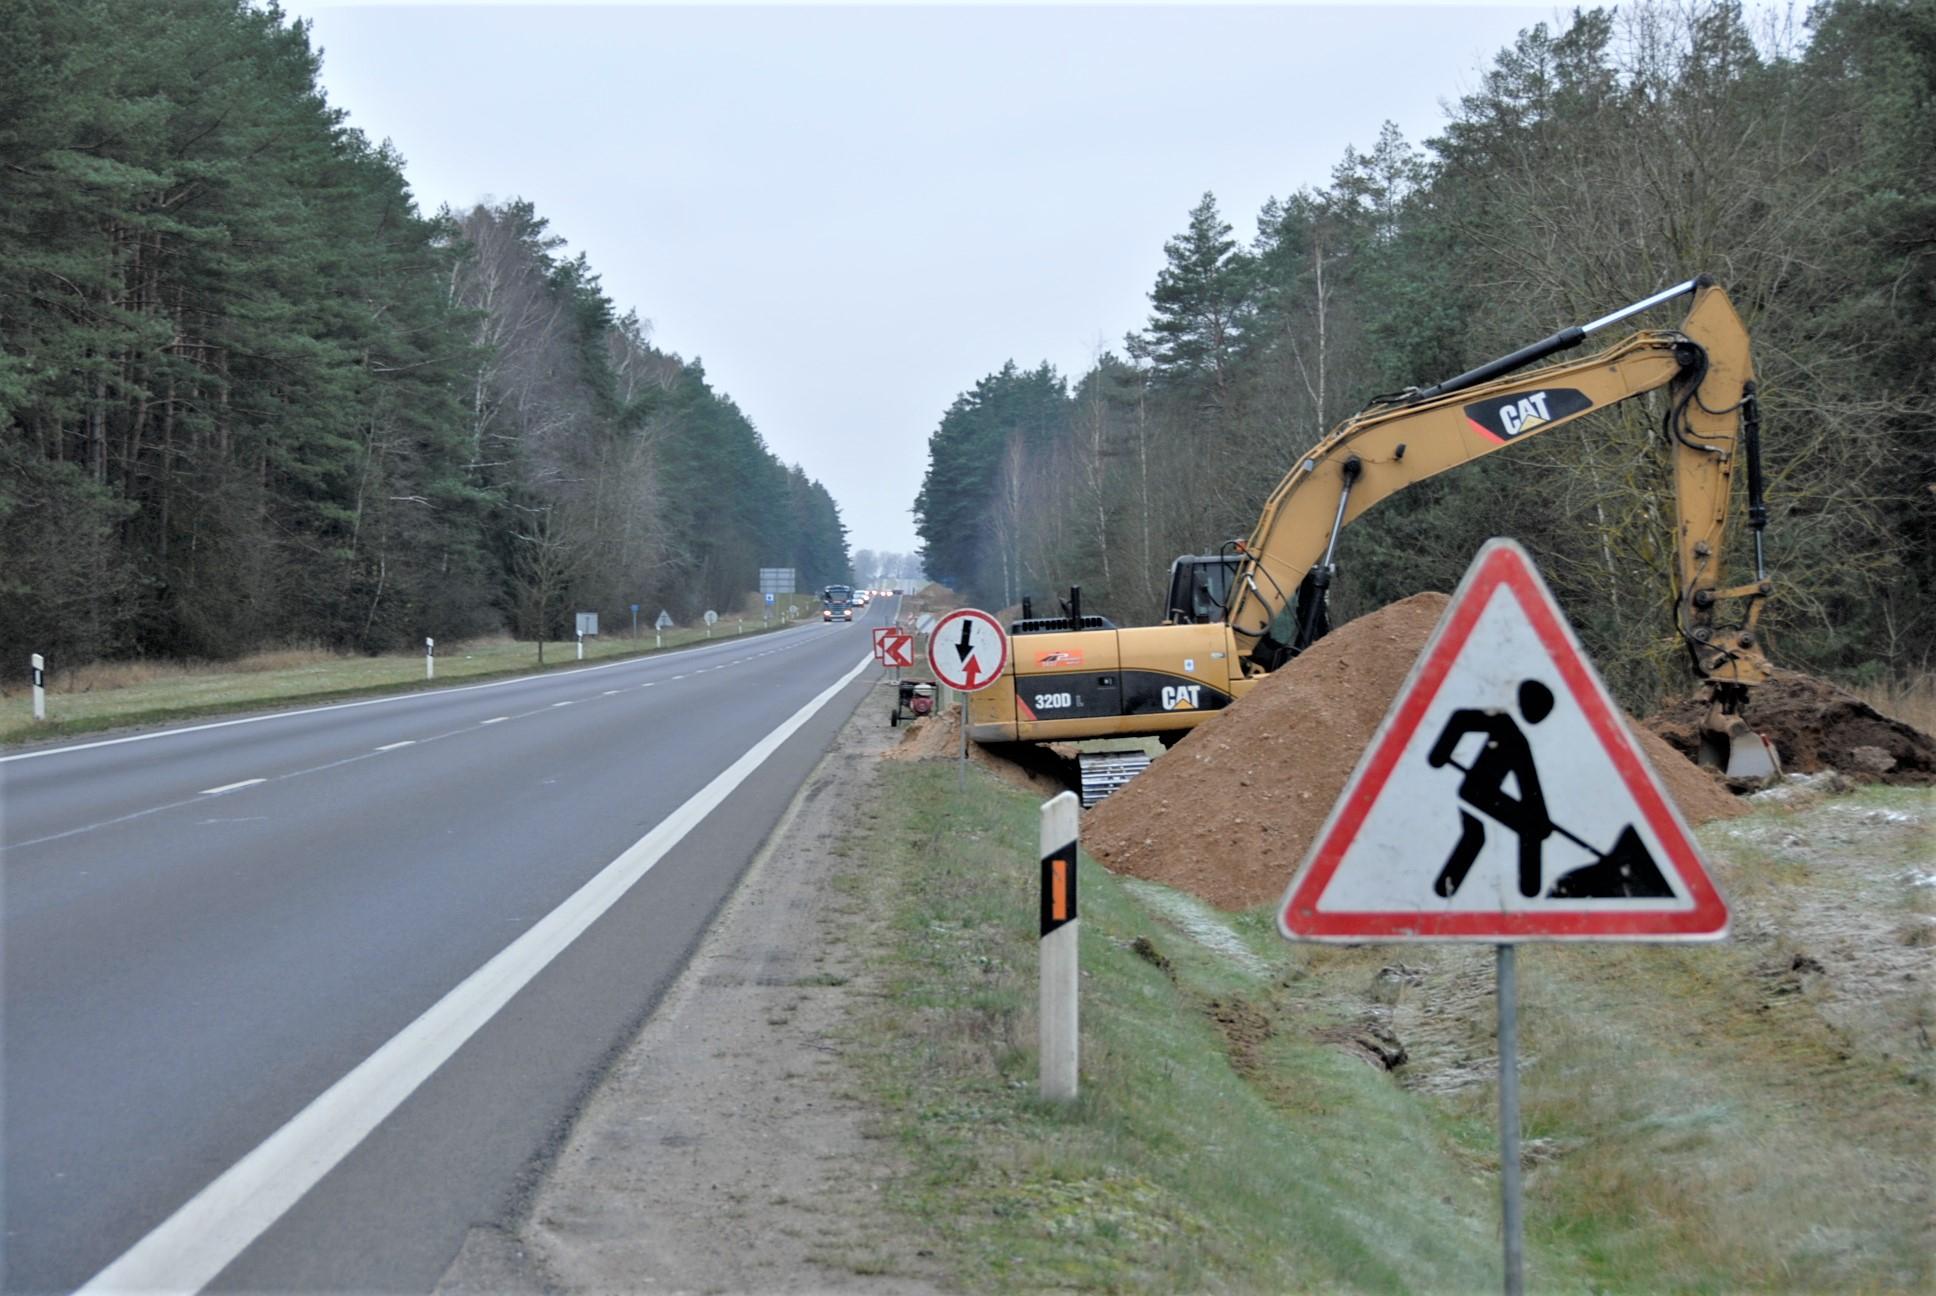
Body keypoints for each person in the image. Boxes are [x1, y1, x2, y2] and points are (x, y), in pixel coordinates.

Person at [1425, 680, 1555, 898]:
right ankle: (1529, 889)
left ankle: (1529, 890)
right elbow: (1460, 720)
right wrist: (1439, 753)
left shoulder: (1520, 742)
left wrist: (1541, 818)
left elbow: (1530, 787)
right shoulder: (1503, 722)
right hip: (1477, 791)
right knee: (1484, 835)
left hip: (1485, 794)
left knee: (1485, 835)